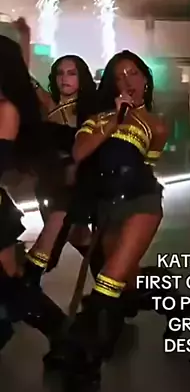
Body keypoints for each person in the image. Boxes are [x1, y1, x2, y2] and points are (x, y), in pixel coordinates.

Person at [58, 50, 175, 391]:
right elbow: (80, 153)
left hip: (142, 201)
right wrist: (114, 122)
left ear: (146, 79)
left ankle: (85, 361)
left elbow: (147, 164)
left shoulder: (157, 124)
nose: (128, 81)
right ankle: (176, 302)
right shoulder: (98, 119)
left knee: (108, 281)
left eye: (134, 73)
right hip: (107, 207)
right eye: (120, 76)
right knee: (124, 283)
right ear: (112, 85)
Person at [0, 32, 65, 362]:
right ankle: (65, 336)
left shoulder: (6, 110)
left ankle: (66, 337)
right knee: (10, 285)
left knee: (10, 286)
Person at [29, 54, 100, 279]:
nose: (64, 78)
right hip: (47, 184)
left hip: (74, 186)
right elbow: (32, 85)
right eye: (60, 73)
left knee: (50, 244)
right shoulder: (49, 108)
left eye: (71, 73)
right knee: (79, 237)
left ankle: (28, 281)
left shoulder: (90, 110)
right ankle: (116, 286)